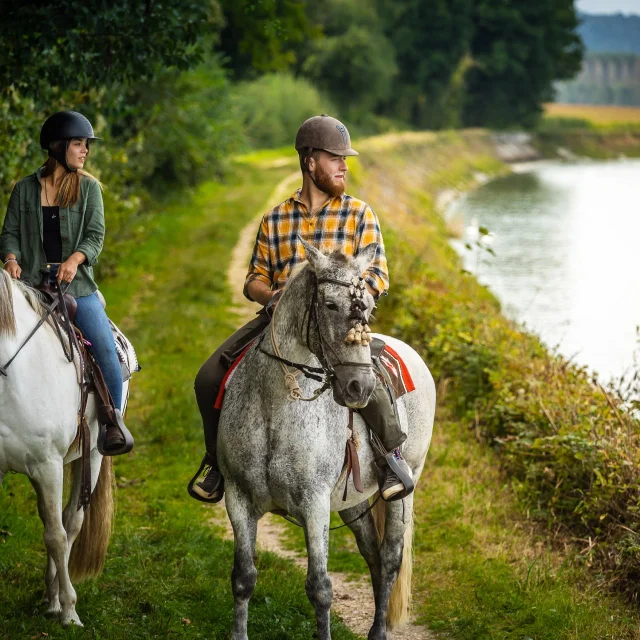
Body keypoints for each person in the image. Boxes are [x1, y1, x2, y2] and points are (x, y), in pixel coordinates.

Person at [188, 114, 413, 504]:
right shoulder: (275, 219)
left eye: (346, 158)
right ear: (310, 162)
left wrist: (354, 301)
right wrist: (271, 297)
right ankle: (216, 463)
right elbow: (253, 279)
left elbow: (379, 277)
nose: (345, 165)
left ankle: (391, 458)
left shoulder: (360, 214)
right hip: (280, 325)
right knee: (208, 378)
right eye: (335, 157)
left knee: (372, 384)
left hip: (343, 324)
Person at [0, 110, 127, 452]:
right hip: (28, 288)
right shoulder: (24, 189)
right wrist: (11, 260)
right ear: (57, 147)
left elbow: (95, 237)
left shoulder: (89, 189)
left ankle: (112, 422)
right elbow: (9, 234)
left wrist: (74, 259)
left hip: (77, 288)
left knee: (106, 351)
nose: (84, 151)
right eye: (78, 144)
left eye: (86, 145)